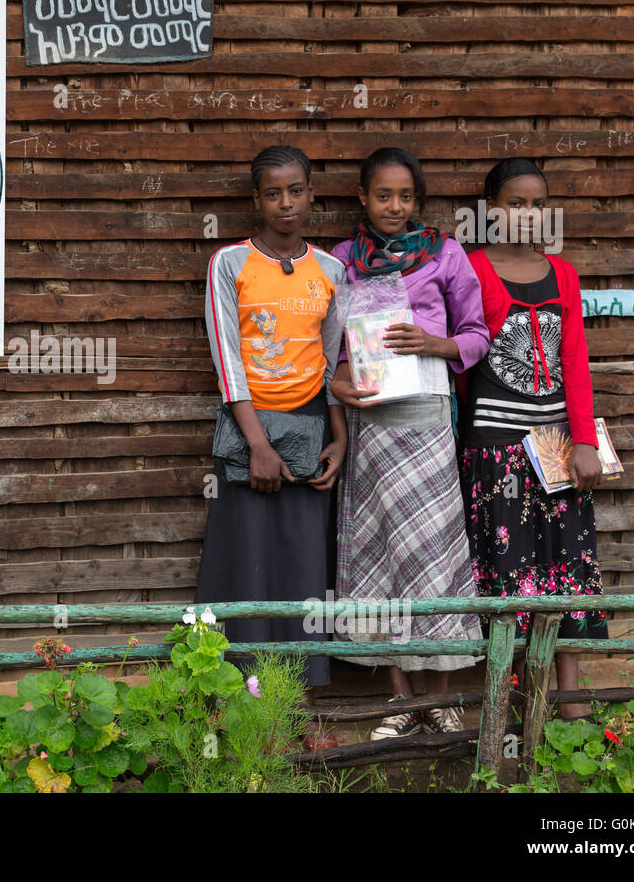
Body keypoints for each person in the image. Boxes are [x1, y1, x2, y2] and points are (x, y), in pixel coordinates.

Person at [329, 147, 491, 739]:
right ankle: (401, 702)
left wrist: (434, 343)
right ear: (363, 199)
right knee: (385, 560)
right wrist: (338, 385)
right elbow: (332, 348)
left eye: (405, 196)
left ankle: (440, 699)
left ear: (417, 202)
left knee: (434, 558)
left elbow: (477, 335)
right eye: (382, 195)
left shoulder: (447, 256)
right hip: (372, 424)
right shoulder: (343, 260)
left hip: (426, 418)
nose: (394, 206)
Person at [196, 145, 348, 751]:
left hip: (312, 427)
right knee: (247, 566)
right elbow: (227, 357)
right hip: (248, 429)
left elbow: (334, 358)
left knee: (305, 570)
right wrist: (257, 443)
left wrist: (339, 437)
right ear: (256, 200)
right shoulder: (230, 264)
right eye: (272, 193)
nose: (286, 203)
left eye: (296, 190)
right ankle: (239, 710)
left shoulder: (331, 271)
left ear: (311, 193)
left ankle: (302, 709)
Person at [459, 158, 607, 720]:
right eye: (515, 203)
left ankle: (567, 705)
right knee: (509, 570)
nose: (527, 214)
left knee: (571, 562)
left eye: (537, 204)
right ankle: (514, 703)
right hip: (496, 448)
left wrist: (584, 440)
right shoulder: (471, 269)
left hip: (556, 446)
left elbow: (576, 361)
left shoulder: (562, 273)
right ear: (491, 210)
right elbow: (464, 363)